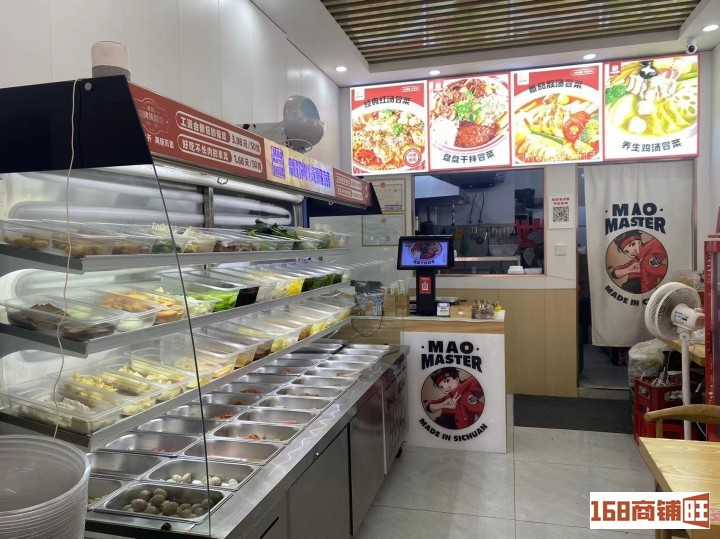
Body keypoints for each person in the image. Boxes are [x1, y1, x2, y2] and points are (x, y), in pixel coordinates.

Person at [608, 229, 668, 294]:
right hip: (629, 288)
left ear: (639, 242)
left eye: (633, 244)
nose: (631, 252)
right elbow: (614, 274)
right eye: (627, 251)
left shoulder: (650, 249)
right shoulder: (633, 262)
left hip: (644, 289)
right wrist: (629, 270)